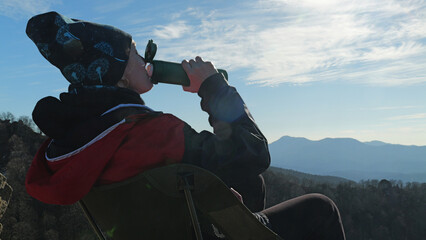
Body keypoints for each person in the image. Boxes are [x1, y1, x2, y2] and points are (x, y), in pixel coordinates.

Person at [25, 11, 346, 240]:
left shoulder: (64, 146)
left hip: (150, 229)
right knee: (322, 207)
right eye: (136, 54)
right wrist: (213, 88)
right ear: (120, 73)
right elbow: (254, 152)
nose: (146, 62)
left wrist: (210, 194)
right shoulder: (152, 132)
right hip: (193, 234)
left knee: (251, 185)